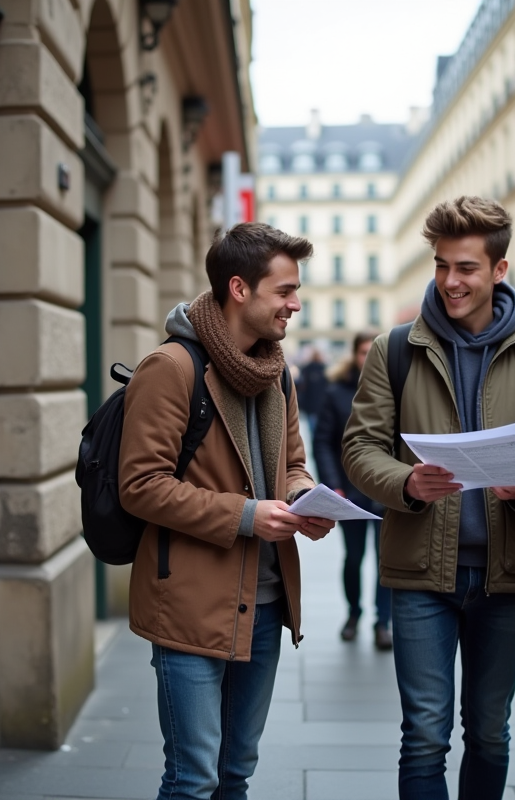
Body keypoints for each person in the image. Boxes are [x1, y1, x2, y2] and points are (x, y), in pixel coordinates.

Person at [342, 196, 515, 800]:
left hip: (505, 576)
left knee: (491, 731)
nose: (450, 281)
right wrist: (405, 483)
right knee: (424, 734)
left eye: (466, 267)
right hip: (419, 575)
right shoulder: (395, 350)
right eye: (441, 265)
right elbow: (359, 449)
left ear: (499, 270)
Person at [119, 222, 335, 800]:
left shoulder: (274, 370)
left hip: (265, 603)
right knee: (193, 779)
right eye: (284, 290)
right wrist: (247, 516)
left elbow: (292, 461)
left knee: (236, 773)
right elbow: (139, 485)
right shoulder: (171, 367)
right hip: (190, 604)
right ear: (238, 289)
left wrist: (301, 498)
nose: (295, 303)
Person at [313, 329, 392, 649]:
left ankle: (382, 622)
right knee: (354, 557)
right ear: (354, 355)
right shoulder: (336, 393)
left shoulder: (398, 390)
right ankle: (353, 613)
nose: (369, 357)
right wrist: (334, 486)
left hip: (388, 493)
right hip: (351, 492)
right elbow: (323, 443)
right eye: (363, 351)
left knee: (386, 560)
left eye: (375, 351)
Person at [296, 348, 328, 434]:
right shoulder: (324, 369)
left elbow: (301, 387)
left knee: (312, 427)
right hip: (321, 403)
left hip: (309, 404)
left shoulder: (306, 369)